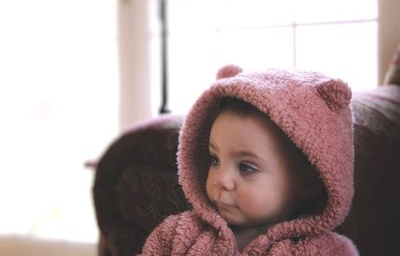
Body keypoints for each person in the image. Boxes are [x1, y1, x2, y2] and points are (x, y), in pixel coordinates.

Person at [141, 65, 358, 255]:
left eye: (246, 167)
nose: (221, 179)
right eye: (215, 160)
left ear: (307, 184)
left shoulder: (327, 251)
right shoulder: (178, 235)